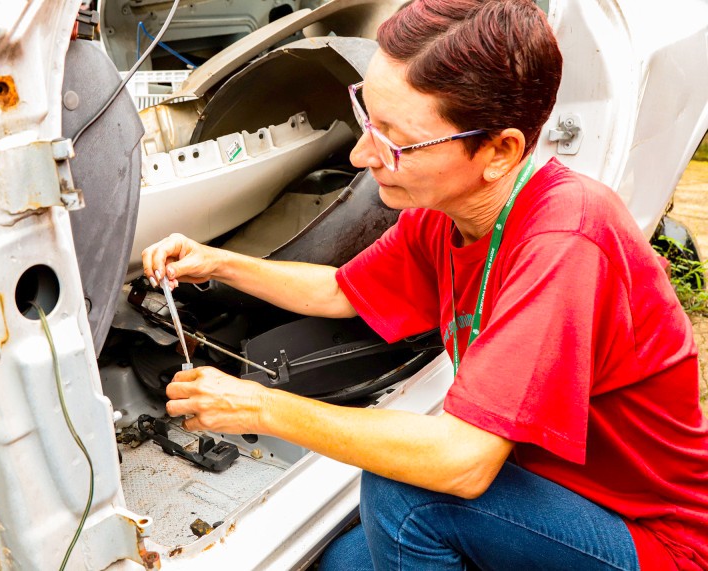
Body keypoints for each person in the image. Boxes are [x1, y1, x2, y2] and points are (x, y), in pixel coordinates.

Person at [141, 0, 708, 569]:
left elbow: (461, 462)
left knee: (406, 497)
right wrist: (217, 263)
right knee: (343, 564)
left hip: (646, 539)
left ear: (499, 150)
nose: (364, 155)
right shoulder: (450, 212)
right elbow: (341, 290)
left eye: (393, 138)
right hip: (547, 494)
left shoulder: (565, 241)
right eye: (367, 117)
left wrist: (261, 407)